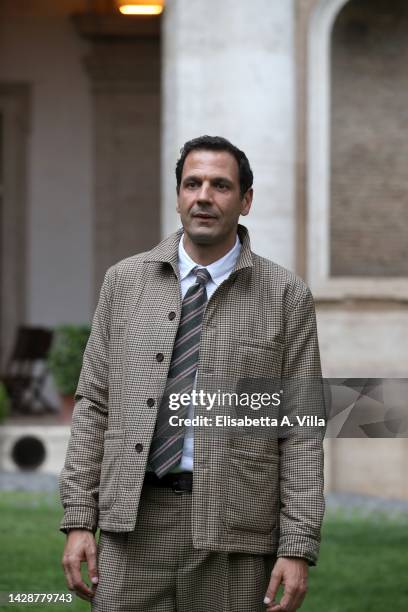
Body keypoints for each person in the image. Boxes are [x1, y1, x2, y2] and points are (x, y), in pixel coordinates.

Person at [60, 135, 325, 612]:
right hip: (133, 528)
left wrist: (296, 544)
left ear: (245, 200)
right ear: (179, 195)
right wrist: (80, 517)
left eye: (220, 185)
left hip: (236, 535)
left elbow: (300, 430)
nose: (204, 196)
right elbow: (94, 404)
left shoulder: (286, 296)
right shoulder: (124, 283)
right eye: (192, 183)